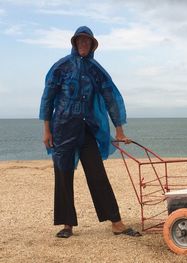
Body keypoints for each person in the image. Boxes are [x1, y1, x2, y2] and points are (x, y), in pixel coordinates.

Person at [39, 26, 141, 238]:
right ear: (75, 43)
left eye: (87, 41)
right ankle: (67, 224)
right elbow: (47, 98)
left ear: (92, 45)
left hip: (87, 131)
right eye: (80, 41)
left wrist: (119, 130)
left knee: (97, 175)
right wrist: (46, 130)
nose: (84, 44)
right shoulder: (61, 67)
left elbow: (111, 98)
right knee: (63, 174)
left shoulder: (96, 70)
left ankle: (116, 222)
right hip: (63, 128)